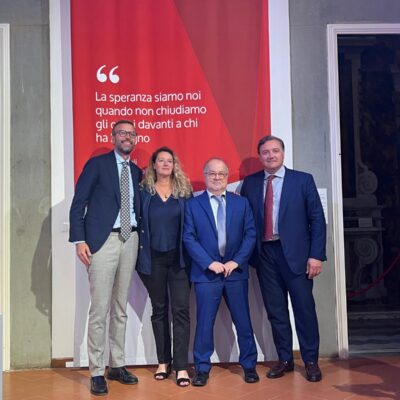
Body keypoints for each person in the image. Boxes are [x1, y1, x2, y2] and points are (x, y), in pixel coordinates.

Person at [240, 135, 326, 382]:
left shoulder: (303, 180)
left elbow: (317, 220)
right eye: (265, 152)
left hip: (298, 256)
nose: (271, 155)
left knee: (304, 310)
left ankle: (310, 361)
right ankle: (285, 359)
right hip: (265, 255)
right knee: (275, 311)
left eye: (275, 150)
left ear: (283, 153)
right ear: (260, 156)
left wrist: (316, 255)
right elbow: (246, 220)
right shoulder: (251, 183)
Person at [69, 120, 142, 395]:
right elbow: (79, 203)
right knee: (99, 309)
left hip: (130, 239)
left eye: (131, 134)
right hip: (102, 241)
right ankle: (97, 371)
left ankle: (117, 365)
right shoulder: (97, 165)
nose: (126, 137)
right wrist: (79, 240)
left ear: (136, 139)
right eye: (122, 133)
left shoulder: (136, 171)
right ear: (113, 137)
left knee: (120, 307)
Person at [183, 158, 259, 387]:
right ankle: (202, 368)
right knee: (204, 323)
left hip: (235, 273)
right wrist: (209, 263)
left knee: (243, 321)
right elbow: (189, 237)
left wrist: (236, 261)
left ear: (227, 176)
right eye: (212, 173)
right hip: (207, 274)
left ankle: (249, 366)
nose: (217, 177)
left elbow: (250, 234)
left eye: (221, 174)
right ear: (205, 175)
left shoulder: (241, 203)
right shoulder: (192, 205)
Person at [136, 146, 192, 387]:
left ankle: (181, 366)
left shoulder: (184, 192)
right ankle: (163, 362)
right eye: (161, 160)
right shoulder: (143, 192)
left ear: (174, 165)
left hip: (179, 261)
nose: (166, 164)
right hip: (152, 260)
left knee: (181, 311)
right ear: (154, 165)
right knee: (159, 310)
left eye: (170, 160)